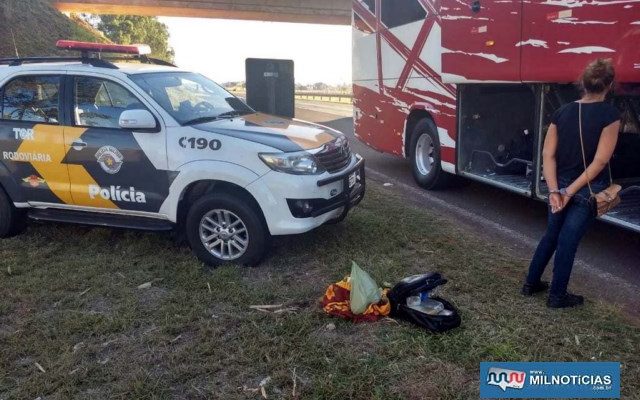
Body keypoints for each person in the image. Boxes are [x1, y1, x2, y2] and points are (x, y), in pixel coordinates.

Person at [522, 59, 621, 308]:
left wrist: (556, 190)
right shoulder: (610, 115)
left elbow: (548, 155)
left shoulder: (562, 112)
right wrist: (569, 192)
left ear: (583, 83)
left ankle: (530, 284)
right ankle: (557, 296)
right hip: (586, 189)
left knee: (551, 236)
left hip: (561, 185)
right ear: (609, 85)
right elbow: (599, 162)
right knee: (568, 241)